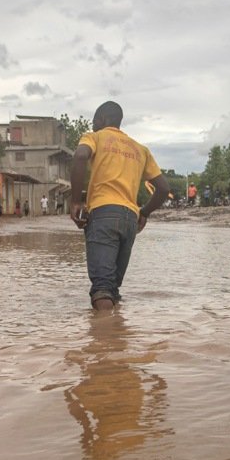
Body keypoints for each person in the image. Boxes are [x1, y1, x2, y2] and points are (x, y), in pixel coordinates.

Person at [70, 101, 170, 310]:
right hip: (130, 221)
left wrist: (77, 200)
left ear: (102, 120)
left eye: (94, 122)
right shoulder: (140, 149)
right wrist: (144, 212)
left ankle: (105, 341)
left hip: (103, 214)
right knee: (113, 288)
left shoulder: (94, 137)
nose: (94, 126)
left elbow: (80, 156)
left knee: (102, 288)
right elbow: (162, 188)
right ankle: (120, 336)